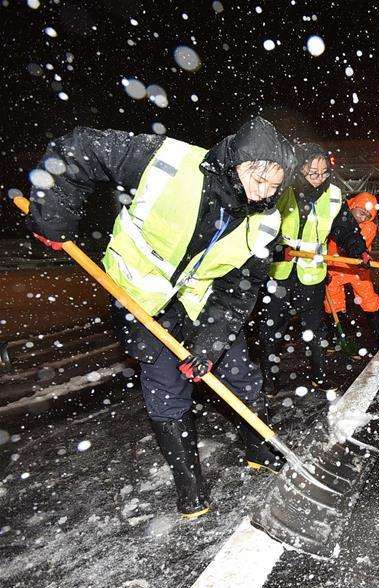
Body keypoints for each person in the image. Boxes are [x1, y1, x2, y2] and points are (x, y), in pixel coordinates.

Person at [26, 117, 298, 519]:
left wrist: (210, 342)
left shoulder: (266, 221)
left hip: (200, 298)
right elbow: (79, 147)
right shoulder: (167, 161)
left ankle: (259, 447)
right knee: (167, 386)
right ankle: (189, 482)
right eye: (258, 179)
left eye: (274, 185)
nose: (265, 193)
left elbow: (239, 289)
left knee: (239, 372)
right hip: (140, 294)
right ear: (234, 161)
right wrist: (53, 214)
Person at [259, 144, 368, 398]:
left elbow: (347, 229)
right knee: (271, 329)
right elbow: (261, 227)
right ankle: (269, 380)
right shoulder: (283, 190)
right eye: (312, 173)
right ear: (299, 170)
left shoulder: (333, 196)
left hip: (312, 274)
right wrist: (276, 249)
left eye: (323, 173)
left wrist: (359, 251)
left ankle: (318, 376)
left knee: (315, 331)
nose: (318, 179)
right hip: (281, 272)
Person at [323, 192, 379, 353]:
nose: (363, 217)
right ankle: (337, 337)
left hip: (357, 269)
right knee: (333, 304)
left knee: (369, 300)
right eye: (362, 211)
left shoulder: (369, 227)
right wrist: (322, 267)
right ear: (353, 205)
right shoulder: (335, 217)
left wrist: (361, 258)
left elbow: (350, 246)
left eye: (368, 215)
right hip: (333, 268)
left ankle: (378, 337)